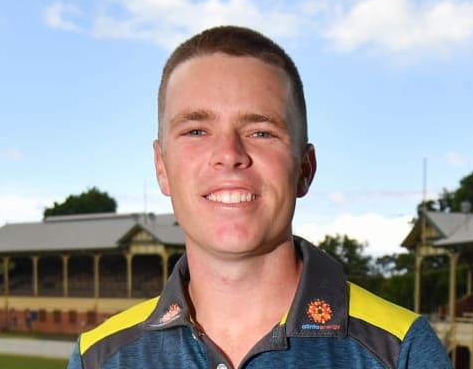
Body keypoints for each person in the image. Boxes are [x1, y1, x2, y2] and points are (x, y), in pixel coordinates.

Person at [67, 26, 452, 369]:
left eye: (261, 132)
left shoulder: (401, 351)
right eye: (197, 131)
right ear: (161, 166)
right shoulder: (99, 358)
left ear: (304, 168)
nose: (230, 154)